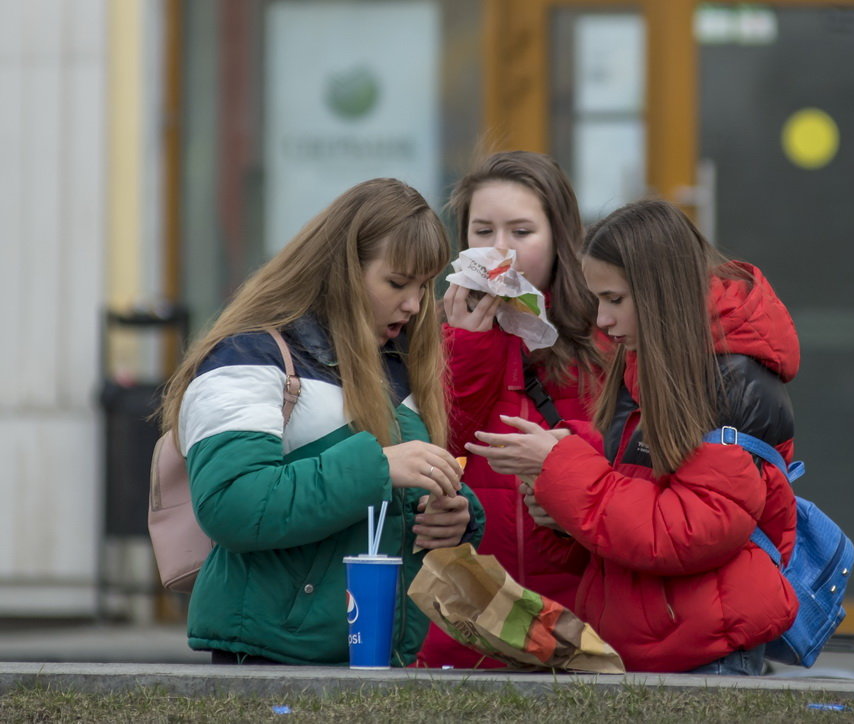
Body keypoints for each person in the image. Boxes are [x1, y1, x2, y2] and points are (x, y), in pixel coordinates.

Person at [158, 178, 485, 666]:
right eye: (397, 283)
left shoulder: (398, 363)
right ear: (343, 270)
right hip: (270, 658)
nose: (415, 305)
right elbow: (232, 505)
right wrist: (378, 466)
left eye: (424, 286)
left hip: (376, 656)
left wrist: (454, 515)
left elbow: (392, 498)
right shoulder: (247, 355)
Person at [466, 198, 800, 674]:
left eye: (615, 300)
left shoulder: (731, 380)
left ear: (663, 293)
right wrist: (556, 504)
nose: (601, 320)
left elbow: (687, 530)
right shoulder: (649, 359)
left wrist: (562, 468)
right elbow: (633, 490)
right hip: (660, 639)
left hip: (705, 651)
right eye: (597, 299)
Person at [415, 151, 607, 668]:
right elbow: (434, 449)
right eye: (483, 232)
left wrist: (564, 470)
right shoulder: (428, 332)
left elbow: (627, 461)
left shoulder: (606, 332)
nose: (499, 251)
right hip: (468, 615)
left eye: (521, 232)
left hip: (581, 615)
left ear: (559, 239)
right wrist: (467, 349)